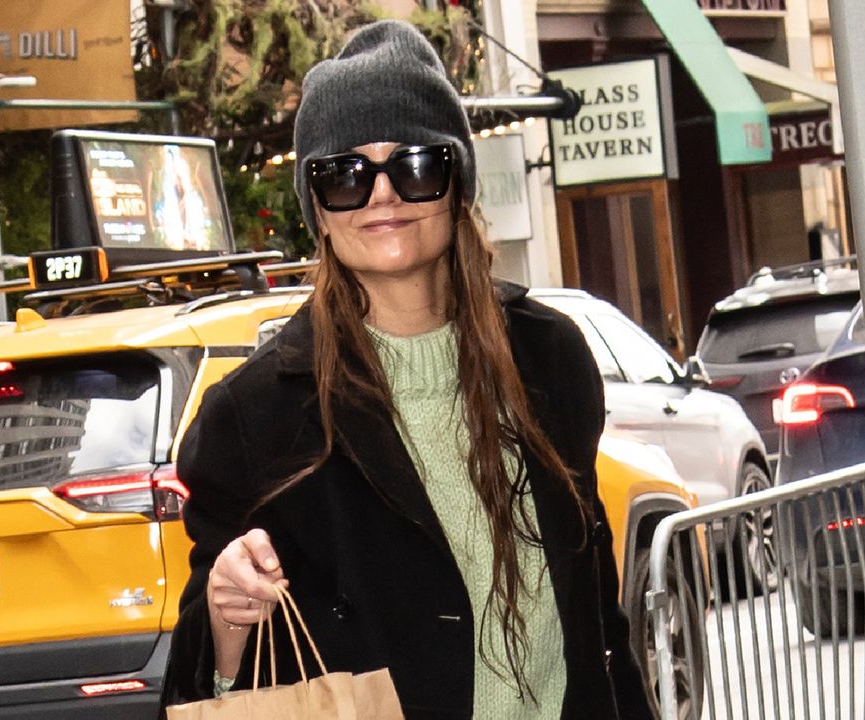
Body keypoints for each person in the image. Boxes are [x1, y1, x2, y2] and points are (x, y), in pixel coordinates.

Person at [160, 19, 652, 719]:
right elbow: (204, 673)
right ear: (318, 212)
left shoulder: (549, 360)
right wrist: (225, 612)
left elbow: (598, 621)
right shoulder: (257, 415)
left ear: (457, 186)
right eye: (345, 175)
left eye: (415, 164)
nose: (382, 195)